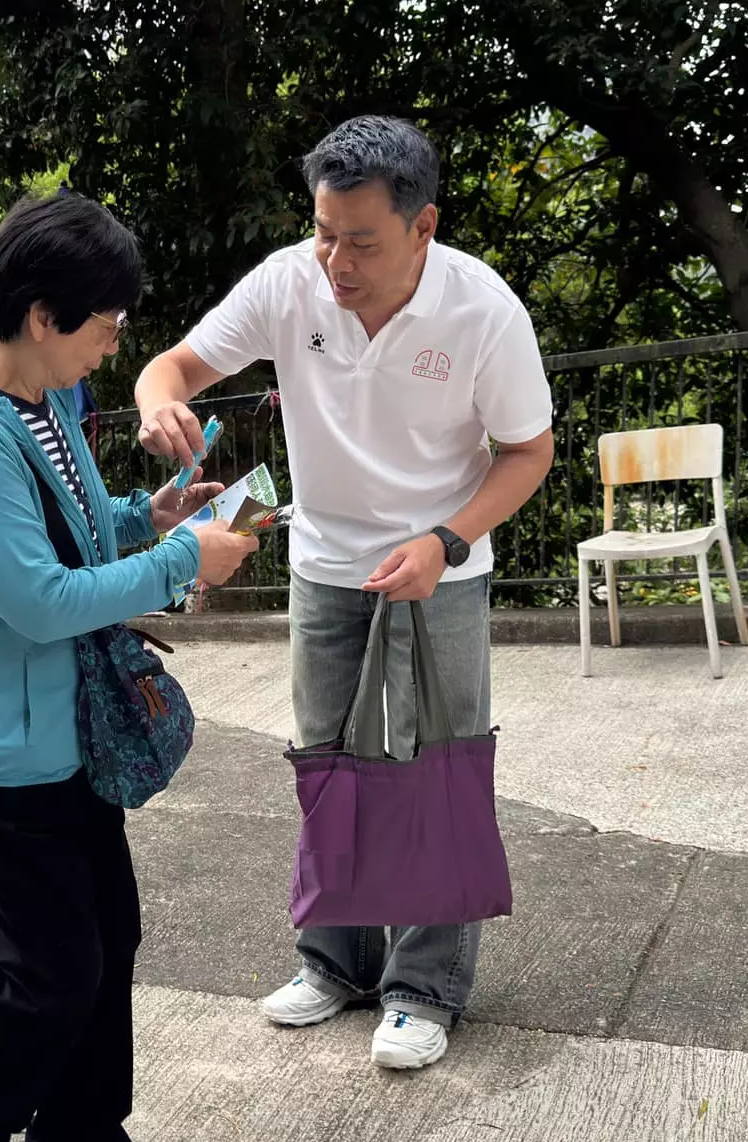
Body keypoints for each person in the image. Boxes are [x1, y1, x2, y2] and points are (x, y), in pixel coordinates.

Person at [134, 116, 555, 1072]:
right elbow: (176, 366)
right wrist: (163, 402)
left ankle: (425, 986)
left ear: (422, 227)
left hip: (439, 571)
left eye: (361, 241)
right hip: (324, 566)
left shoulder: (482, 310)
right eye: (325, 233)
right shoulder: (291, 281)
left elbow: (529, 451)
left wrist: (447, 541)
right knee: (327, 764)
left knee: (435, 766)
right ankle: (337, 962)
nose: (336, 261)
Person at [0, 192, 258, 1142]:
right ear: (42, 315)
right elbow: (41, 600)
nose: (115, 341)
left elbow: (71, 531)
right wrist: (183, 561)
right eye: (105, 321)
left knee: (107, 937)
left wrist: (152, 515)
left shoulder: (40, 404)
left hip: (58, 726)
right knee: (51, 965)